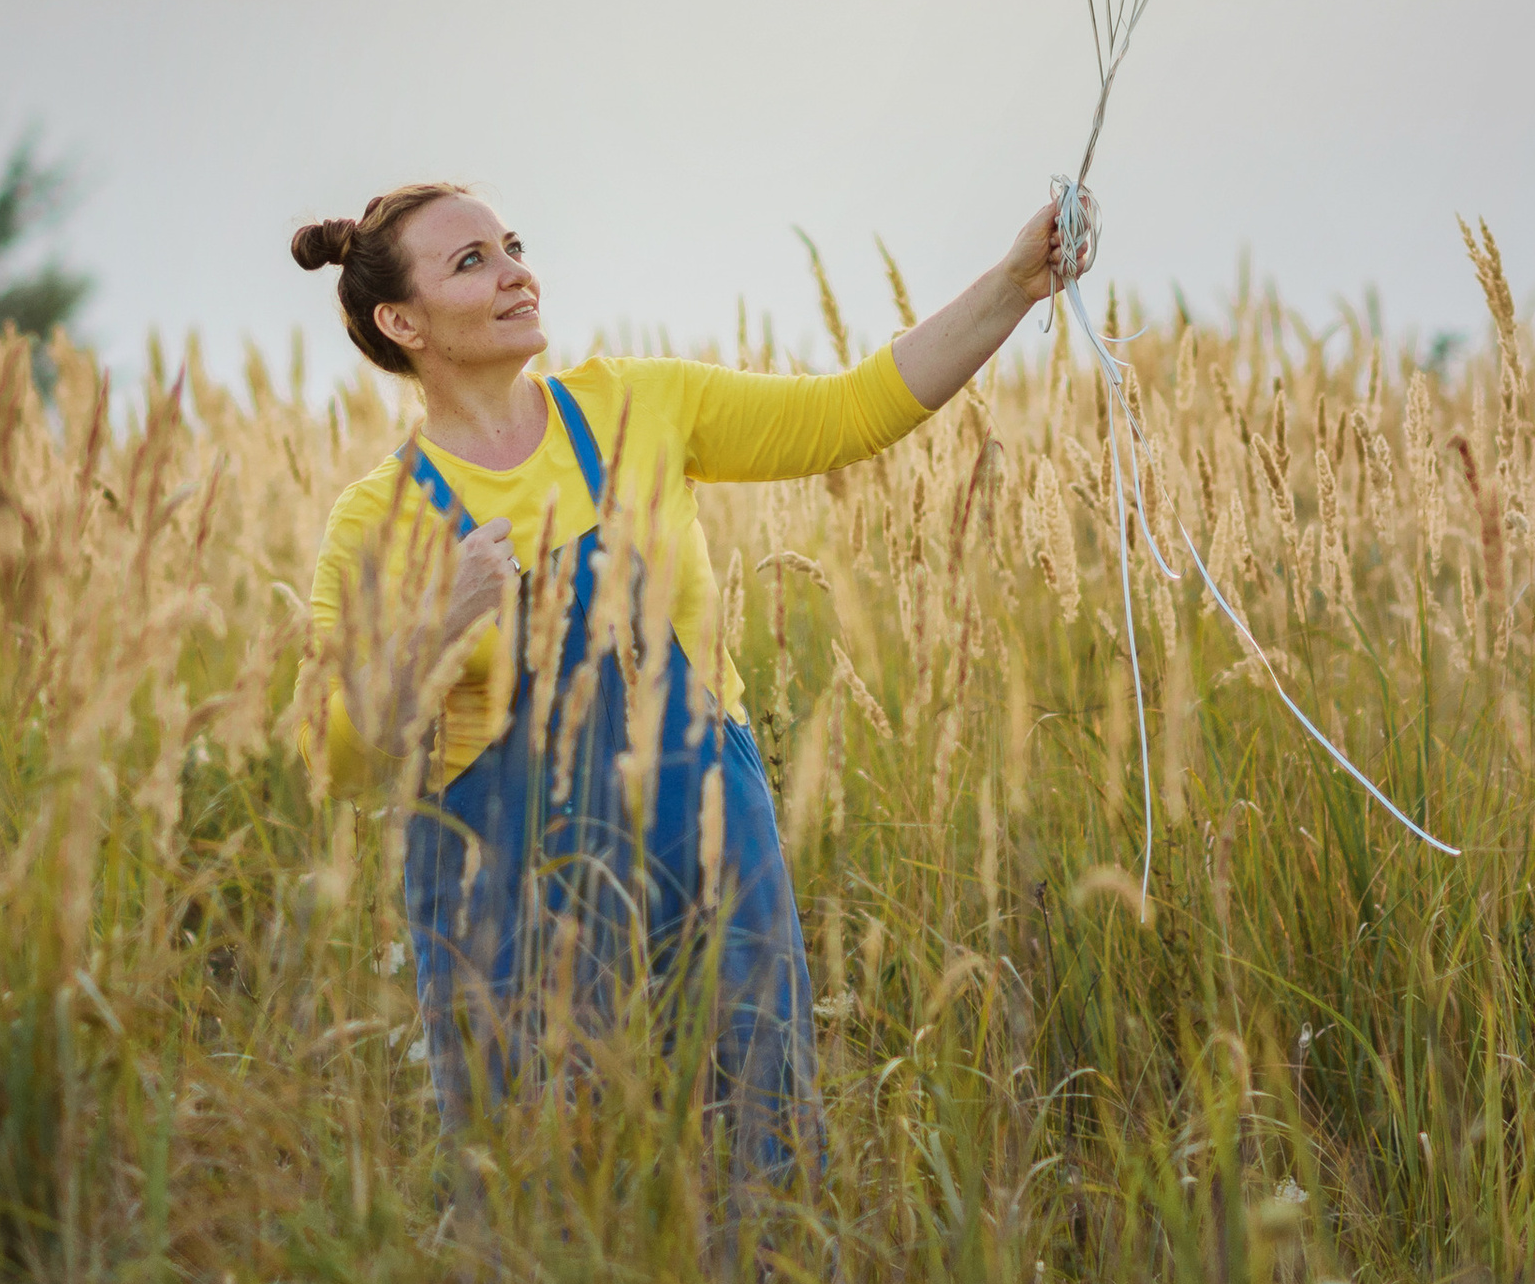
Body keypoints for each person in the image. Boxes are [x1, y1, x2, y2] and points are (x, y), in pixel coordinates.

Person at [296, 179, 1091, 1169]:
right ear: (401, 320)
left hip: (711, 857)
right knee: (546, 1197)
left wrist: (1016, 283)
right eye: (472, 263)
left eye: (510, 246)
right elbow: (339, 760)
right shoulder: (377, 521)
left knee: (762, 1160)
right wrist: (439, 625)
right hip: (512, 922)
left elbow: (848, 412)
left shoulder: (639, 406)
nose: (515, 275)